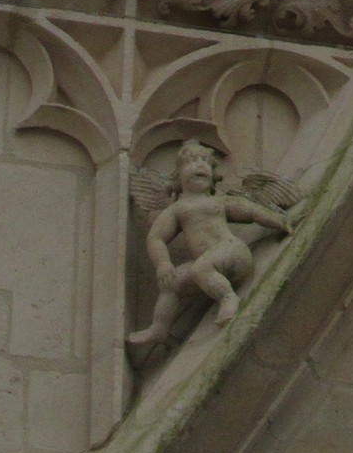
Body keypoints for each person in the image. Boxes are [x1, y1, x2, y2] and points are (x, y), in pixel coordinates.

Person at [126, 141, 294, 364]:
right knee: (173, 283)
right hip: (209, 265)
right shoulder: (177, 209)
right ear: (177, 176)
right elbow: (155, 238)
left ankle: (228, 297)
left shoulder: (218, 202)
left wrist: (279, 220)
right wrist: (163, 264)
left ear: (214, 175)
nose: (200, 165)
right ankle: (160, 329)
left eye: (205, 161)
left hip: (234, 253)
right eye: (191, 161)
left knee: (201, 267)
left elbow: (251, 211)